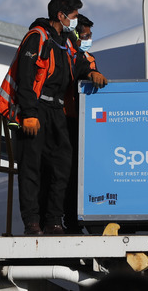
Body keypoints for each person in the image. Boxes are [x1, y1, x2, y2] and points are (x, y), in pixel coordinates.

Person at [0, 0, 108, 235]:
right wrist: (29, 114)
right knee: (32, 169)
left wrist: (90, 72)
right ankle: (32, 223)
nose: (76, 21)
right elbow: (25, 79)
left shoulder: (64, 42)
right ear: (61, 15)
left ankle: (54, 221)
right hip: (36, 109)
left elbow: (77, 63)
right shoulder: (37, 37)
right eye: (74, 16)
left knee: (62, 165)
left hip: (57, 111)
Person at [62, 13, 96, 233]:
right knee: (64, 173)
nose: (89, 38)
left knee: (78, 174)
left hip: (82, 123)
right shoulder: (64, 54)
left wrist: (95, 72)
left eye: (90, 35)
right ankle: (65, 220)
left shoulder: (88, 59)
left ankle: (77, 220)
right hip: (64, 118)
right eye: (85, 35)